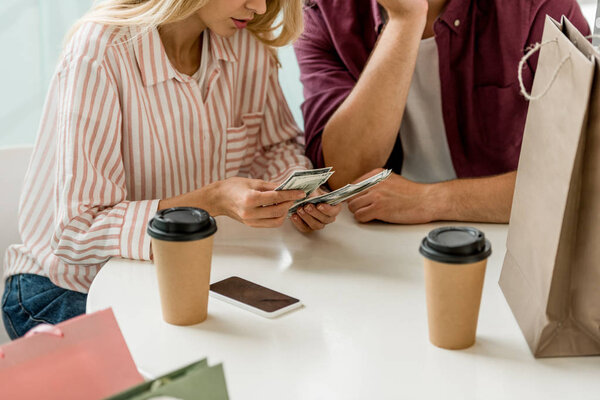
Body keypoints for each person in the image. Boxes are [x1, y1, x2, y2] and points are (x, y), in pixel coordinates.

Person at [1, 0, 341, 339]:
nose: (259, 6)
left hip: (186, 277)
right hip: (67, 288)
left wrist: (298, 192)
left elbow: (275, 147)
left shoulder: (243, 40)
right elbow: (77, 230)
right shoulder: (101, 51)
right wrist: (213, 199)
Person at [294, 0, 589, 224]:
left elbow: (581, 177)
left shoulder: (537, 7)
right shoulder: (321, 14)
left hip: (508, 237)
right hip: (378, 237)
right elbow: (345, 176)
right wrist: (405, 18)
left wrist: (432, 201)